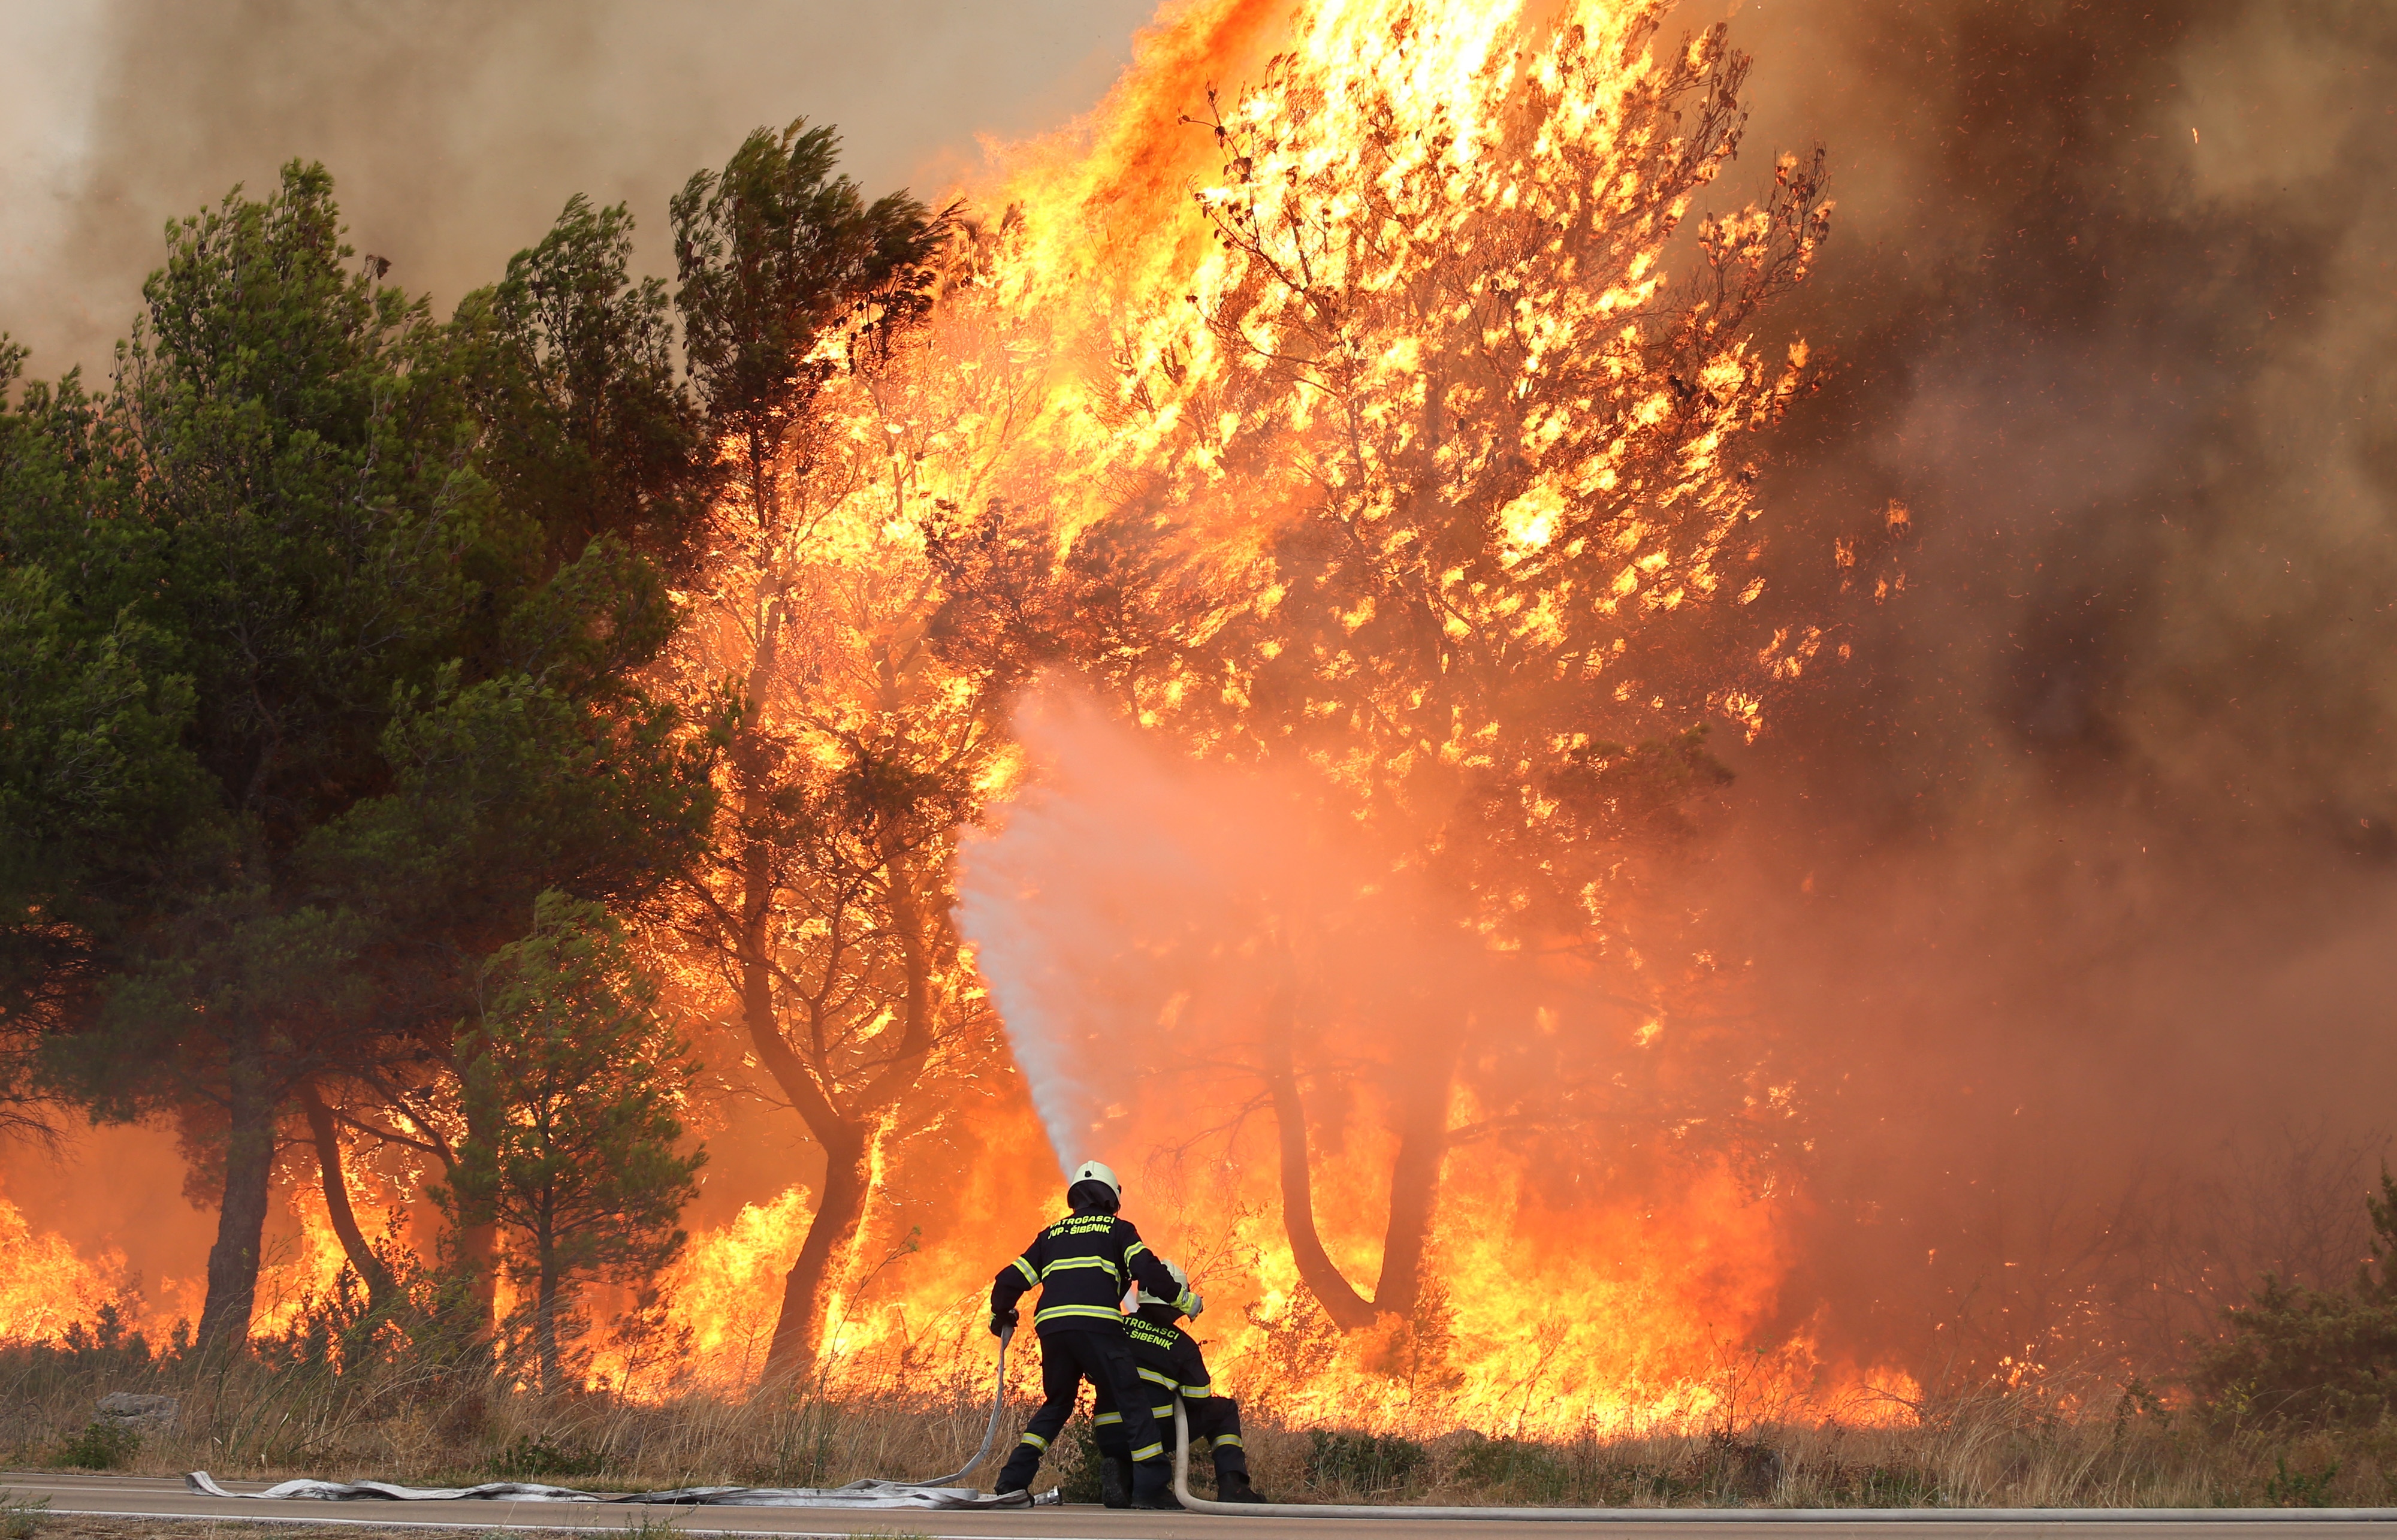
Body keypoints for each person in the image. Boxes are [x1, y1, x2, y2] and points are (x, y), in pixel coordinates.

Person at [988, 1159, 1198, 1508]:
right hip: (1098, 1324)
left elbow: (1008, 1280)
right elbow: (1148, 1269)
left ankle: (1012, 1482)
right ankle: (1150, 1489)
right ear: (1111, 1199)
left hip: (1053, 1328)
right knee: (1131, 1397)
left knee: (1057, 1404)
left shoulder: (1050, 1236)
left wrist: (1002, 1315)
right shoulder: (1118, 1230)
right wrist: (1184, 1300)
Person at [1091, 1257, 1267, 1506]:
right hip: (1152, 1432)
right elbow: (1199, 1398)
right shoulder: (1182, 1345)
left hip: (1107, 1432)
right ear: (1176, 1303)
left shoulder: (1115, 1327)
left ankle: (1123, 1474)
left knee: (1136, 1421)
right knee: (1223, 1410)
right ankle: (1233, 1487)